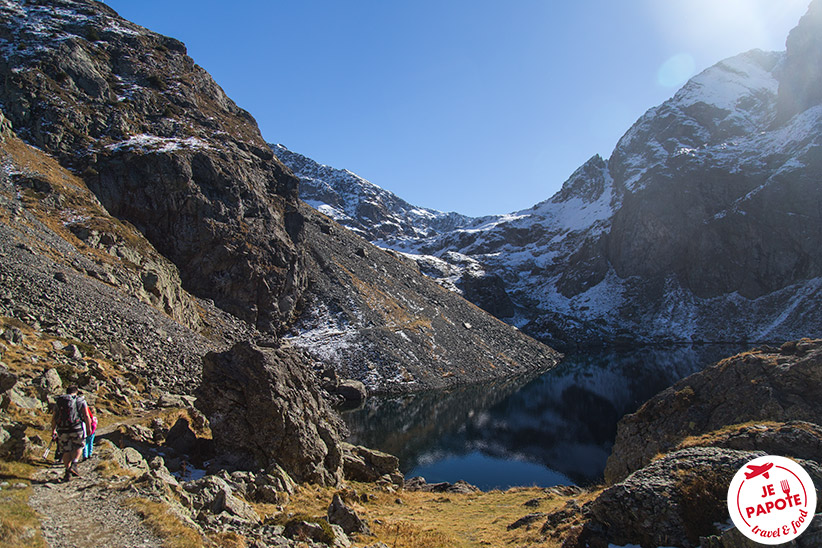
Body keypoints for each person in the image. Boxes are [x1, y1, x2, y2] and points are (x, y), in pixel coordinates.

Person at [51, 386, 92, 482]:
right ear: (76, 392)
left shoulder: (60, 401)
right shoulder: (80, 400)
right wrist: (88, 427)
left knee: (66, 450)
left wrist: (53, 430)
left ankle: (67, 472)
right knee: (78, 446)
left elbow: (54, 418)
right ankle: (74, 463)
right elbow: (86, 415)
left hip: (62, 429)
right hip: (76, 428)